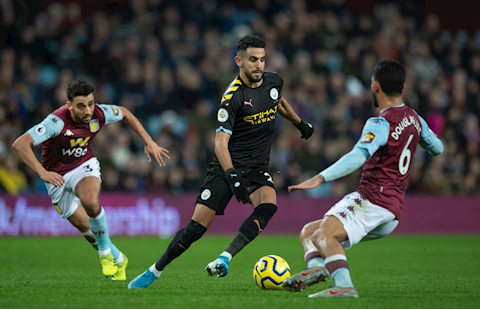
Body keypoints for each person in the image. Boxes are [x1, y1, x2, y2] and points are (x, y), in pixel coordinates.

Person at [128, 35, 314, 289]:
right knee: (196, 228)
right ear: (239, 61)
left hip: (257, 167)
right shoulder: (233, 97)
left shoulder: (273, 81)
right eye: (252, 60)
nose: (258, 65)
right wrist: (233, 176)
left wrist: (299, 122)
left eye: (262, 59)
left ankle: (225, 257)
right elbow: (220, 144)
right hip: (227, 167)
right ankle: (154, 271)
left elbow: (277, 100)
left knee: (268, 205)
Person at [282, 60, 444, 298]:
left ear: (375, 86)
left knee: (324, 235)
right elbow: (438, 148)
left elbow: (357, 157)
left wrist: (320, 178)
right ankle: (315, 269)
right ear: (403, 86)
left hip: (372, 199)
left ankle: (344, 286)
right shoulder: (415, 119)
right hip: (393, 210)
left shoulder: (380, 123)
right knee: (308, 232)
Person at [12, 79, 170, 281]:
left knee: (90, 200)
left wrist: (149, 141)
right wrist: (42, 173)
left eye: (90, 104)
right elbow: (20, 144)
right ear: (69, 106)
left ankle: (104, 255)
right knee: (87, 230)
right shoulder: (56, 122)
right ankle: (118, 257)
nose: (87, 111)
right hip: (56, 176)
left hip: (83, 165)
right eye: (80, 106)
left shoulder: (100, 113)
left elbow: (126, 113)